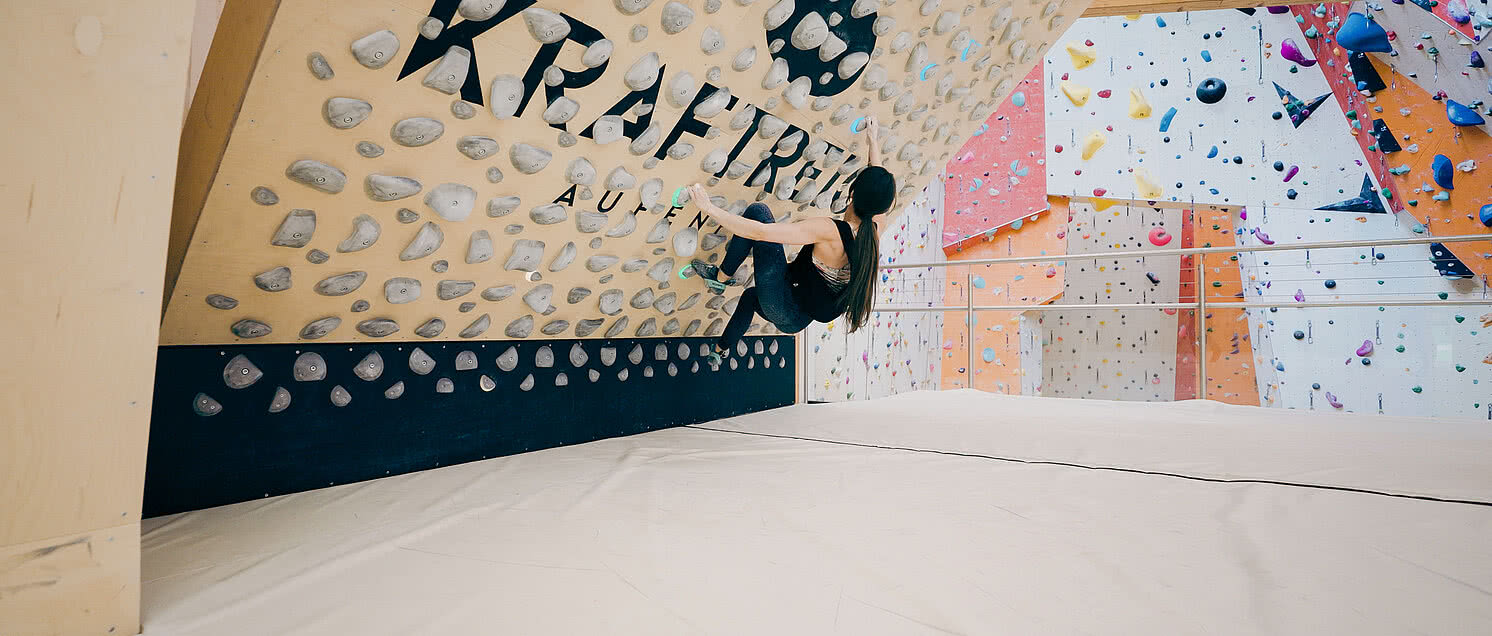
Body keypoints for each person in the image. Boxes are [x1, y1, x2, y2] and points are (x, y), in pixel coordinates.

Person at [685, 116, 896, 366]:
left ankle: (719, 278)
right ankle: (718, 351)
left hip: (782, 301)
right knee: (751, 298)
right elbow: (878, 186)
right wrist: (872, 140)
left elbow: (762, 233)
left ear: (852, 193)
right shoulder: (873, 232)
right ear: (880, 208)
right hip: (797, 321)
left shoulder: (830, 231)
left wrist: (710, 208)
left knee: (759, 213)